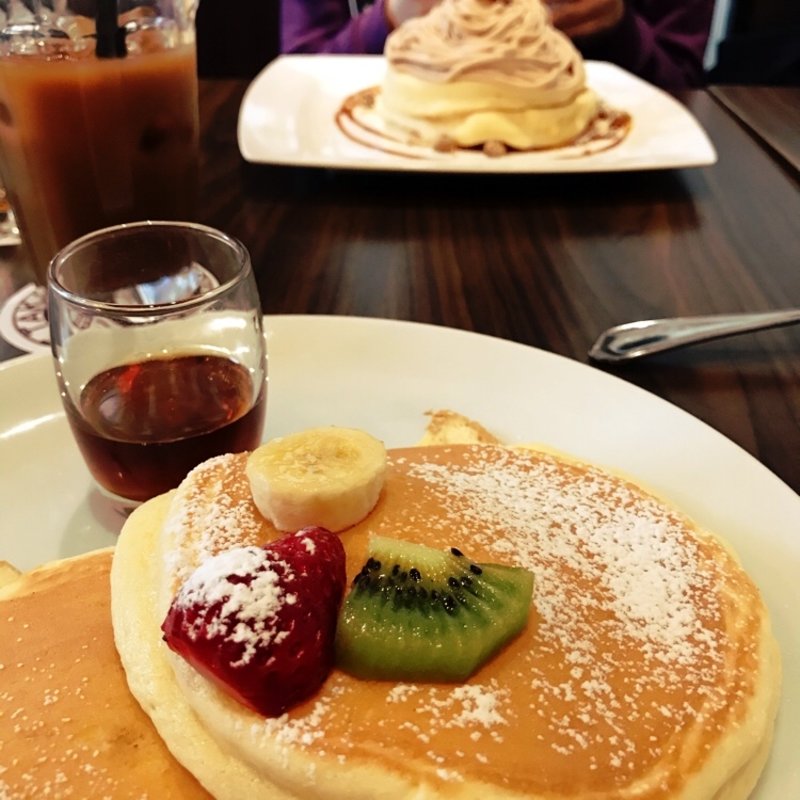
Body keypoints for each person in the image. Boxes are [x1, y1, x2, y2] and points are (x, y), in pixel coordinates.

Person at [279, 0, 715, 90]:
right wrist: (390, 17)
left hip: (605, 207)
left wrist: (617, 28)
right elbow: (297, 80)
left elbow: (684, 83)